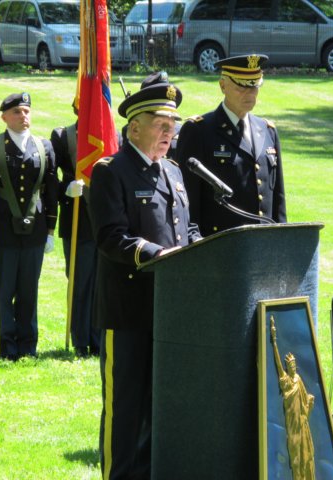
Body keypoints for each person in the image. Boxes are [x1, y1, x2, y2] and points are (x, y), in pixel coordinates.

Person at [89, 76, 201, 480]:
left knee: (160, 409)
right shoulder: (111, 172)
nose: (170, 132)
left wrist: (201, 250)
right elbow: (110, 237)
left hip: (170, 315)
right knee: (127, 411)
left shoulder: (173, 171)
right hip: (129, 313)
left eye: (173, 125)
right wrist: (160, 255)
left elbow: (186, 230)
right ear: (134, 126)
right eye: (161, 123)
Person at [176, 54, 287, 236]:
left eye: (254, 87)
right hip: (221, 245)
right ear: (222, 86)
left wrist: (283, 239)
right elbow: (188, 197)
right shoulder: (199, 130)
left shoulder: (267, 130)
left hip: (264, 244)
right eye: (241, 87)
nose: (249, 93)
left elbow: (278, 201)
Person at [0, 92, 58, 360]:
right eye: (17, 112)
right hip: (2, 230)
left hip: (35, 230)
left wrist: (51, 230)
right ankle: (6, 346)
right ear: (4, 116)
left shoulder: (44, 146)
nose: (23, 116)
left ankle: (28, 345)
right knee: (4, 292)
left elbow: (50, 189)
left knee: (29, 290)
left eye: (26, 111)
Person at [50, 100, 102, 358]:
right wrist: (66, 191)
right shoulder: (63, 136)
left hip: (104, 221)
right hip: (77, 219)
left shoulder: (112, 136)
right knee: (80, 282)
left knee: (102, 283)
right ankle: (80, 339)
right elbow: (51, 179)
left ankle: (99, 338)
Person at [271, 320, 315, 479]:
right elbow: (277, 364)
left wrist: (309, 403)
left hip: (302, 424)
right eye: (291, 366)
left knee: (306, 456)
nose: (294, 368)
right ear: (287, 367)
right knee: (296, 459)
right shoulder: (286, 381)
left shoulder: (298, 379)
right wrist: (274, 341)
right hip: (292, 425)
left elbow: (304, 403)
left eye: (295, 366)